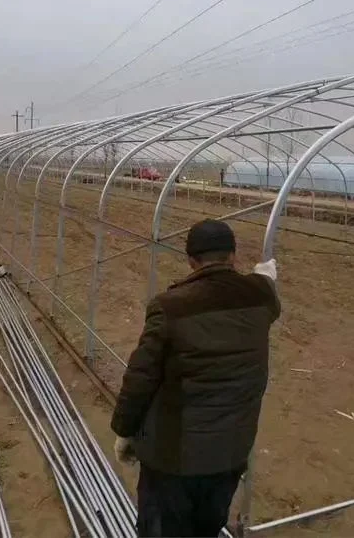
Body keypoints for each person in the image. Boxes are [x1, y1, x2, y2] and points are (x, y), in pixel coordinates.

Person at [111, 219, 280, 538]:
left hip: (174, 458)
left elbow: (140, 378)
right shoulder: (261, 298)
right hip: (230, 453)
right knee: (207, 528)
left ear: (190, 259)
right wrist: (264, 278)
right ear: (233, 256)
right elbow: (267, 296)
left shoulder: (170, 307)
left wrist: (125, 430)